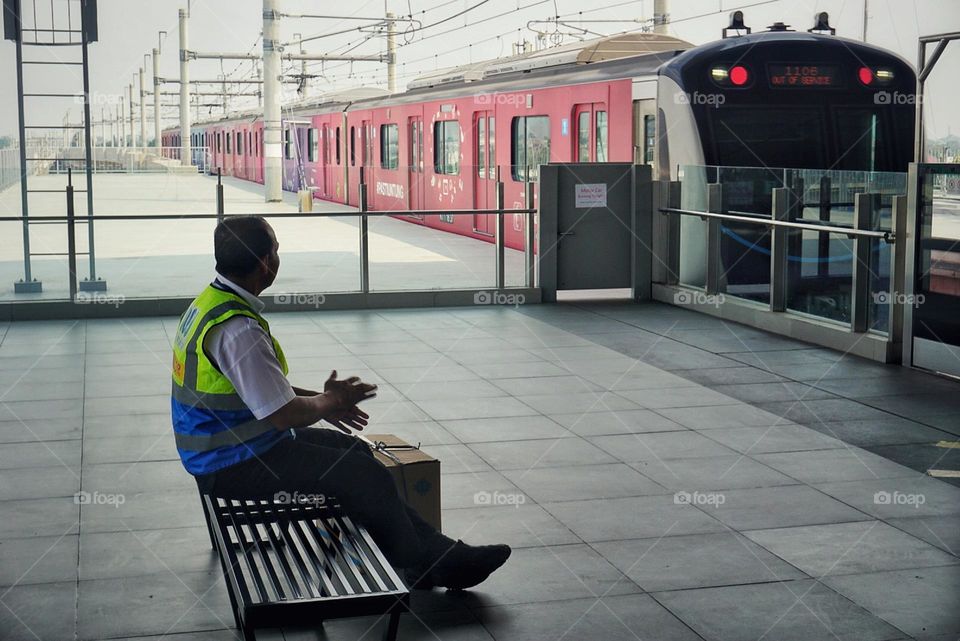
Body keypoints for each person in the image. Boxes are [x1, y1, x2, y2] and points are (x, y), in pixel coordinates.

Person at [171, 215, 510, 590]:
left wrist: (325, 402)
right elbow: (283, 414)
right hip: (233, 462)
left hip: (229, 448)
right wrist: (327, 402)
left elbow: (259, 391)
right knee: (364, 476)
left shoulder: (211, 304)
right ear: (266, 262)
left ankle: (440, 554)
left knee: (359, 455)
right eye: (277, 250)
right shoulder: (239, 330)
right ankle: (424, 563)